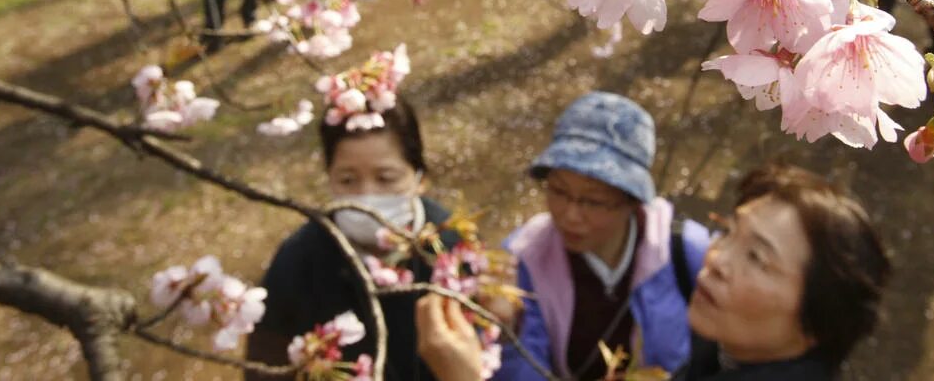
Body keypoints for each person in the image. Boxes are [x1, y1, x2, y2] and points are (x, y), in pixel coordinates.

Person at [417, 163, 890, 381]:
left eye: (757, 258)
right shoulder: (721, 346)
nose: (717, 259)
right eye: (729, 234)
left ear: (818, 319)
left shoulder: (673, 251)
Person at [493, 92, 710, 380]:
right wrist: (506, 332)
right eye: (558, 191)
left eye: (593, 201)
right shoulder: (524, 257)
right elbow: (524, 367)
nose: (569, 215)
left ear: (633, 201)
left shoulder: (684, 249)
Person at [244, 97, 457, 380]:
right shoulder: (297, 262)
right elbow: (266, 367)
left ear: (420, 178)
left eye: (386, 178)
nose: (366, 198)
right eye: (347, 180)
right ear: (329, 178)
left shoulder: (451, 244)